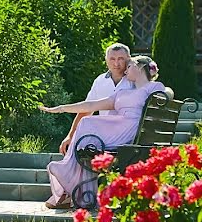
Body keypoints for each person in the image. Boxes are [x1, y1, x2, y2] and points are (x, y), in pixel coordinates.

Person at [39, 56, 168, 210]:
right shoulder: (123, 93)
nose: (125, 71)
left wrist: (168, 93)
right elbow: (91, 104)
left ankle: (69, 174)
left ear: (139, 67)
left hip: (130, 130)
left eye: (129, 66)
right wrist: (62, 108)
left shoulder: (154, 87)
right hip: (119, 126)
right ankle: (71, 175)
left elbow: (166, 95)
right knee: (86, 124)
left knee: (88, 128)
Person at [59, 43, 133, 156]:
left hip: (127, 136)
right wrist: (70, 136)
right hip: (103, 136)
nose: (116, 63)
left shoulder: (134, 80)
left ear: (128, 59)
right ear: (106, 60)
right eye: (112, 59)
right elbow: (86, 110)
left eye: (121, 59)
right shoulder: (100, 81)